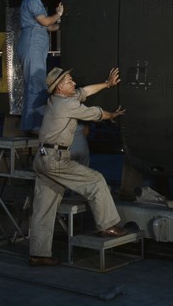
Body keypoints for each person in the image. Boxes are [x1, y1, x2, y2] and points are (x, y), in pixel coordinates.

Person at [28, 67, 127, 266]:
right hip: (55, 159)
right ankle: (106, 225)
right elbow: (95, 114)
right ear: (59, 88)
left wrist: (107, 84)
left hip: (43, 158)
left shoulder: (59, 100)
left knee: (44, 209)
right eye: (70, 81)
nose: (74, 84)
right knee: (96, 180)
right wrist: (111, 114)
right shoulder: (65, 105)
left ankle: (38, 254)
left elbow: (84, 92)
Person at [16, 0, 64, 134]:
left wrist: (63, 25)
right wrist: (58, 14)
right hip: (32, 44)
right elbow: (46, 22)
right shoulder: (32, 1)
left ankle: (33, 124)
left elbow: (50, 27)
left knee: (37, 83)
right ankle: (32, 125)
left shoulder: (37, 4)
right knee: (35, 84)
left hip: (36, 45)